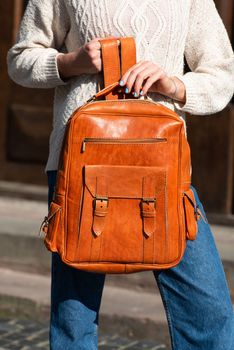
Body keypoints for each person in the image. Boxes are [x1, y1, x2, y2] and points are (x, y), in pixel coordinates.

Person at [7, 0, 234, 349]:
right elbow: (20, 59)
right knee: (74, 320)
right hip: (81, 169)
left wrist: (172, 85)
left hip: (162, 169)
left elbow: (222, 75)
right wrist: (69, 63)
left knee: (209, 313)